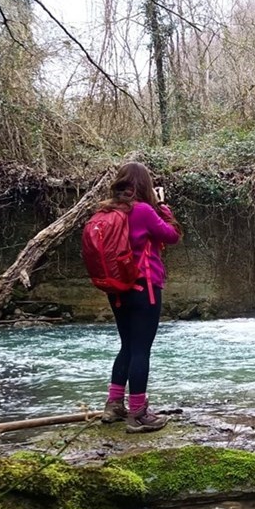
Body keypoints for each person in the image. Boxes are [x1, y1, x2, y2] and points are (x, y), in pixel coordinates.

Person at [99, 161, 182, 432]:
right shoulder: (145, 211)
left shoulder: (106, 210)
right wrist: (163, 207)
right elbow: (171, 235)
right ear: (145, 185)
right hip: (145, 287)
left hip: (117, 289)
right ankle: (138, 414)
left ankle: (113, 406)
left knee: (127, 345)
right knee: (141, 349)